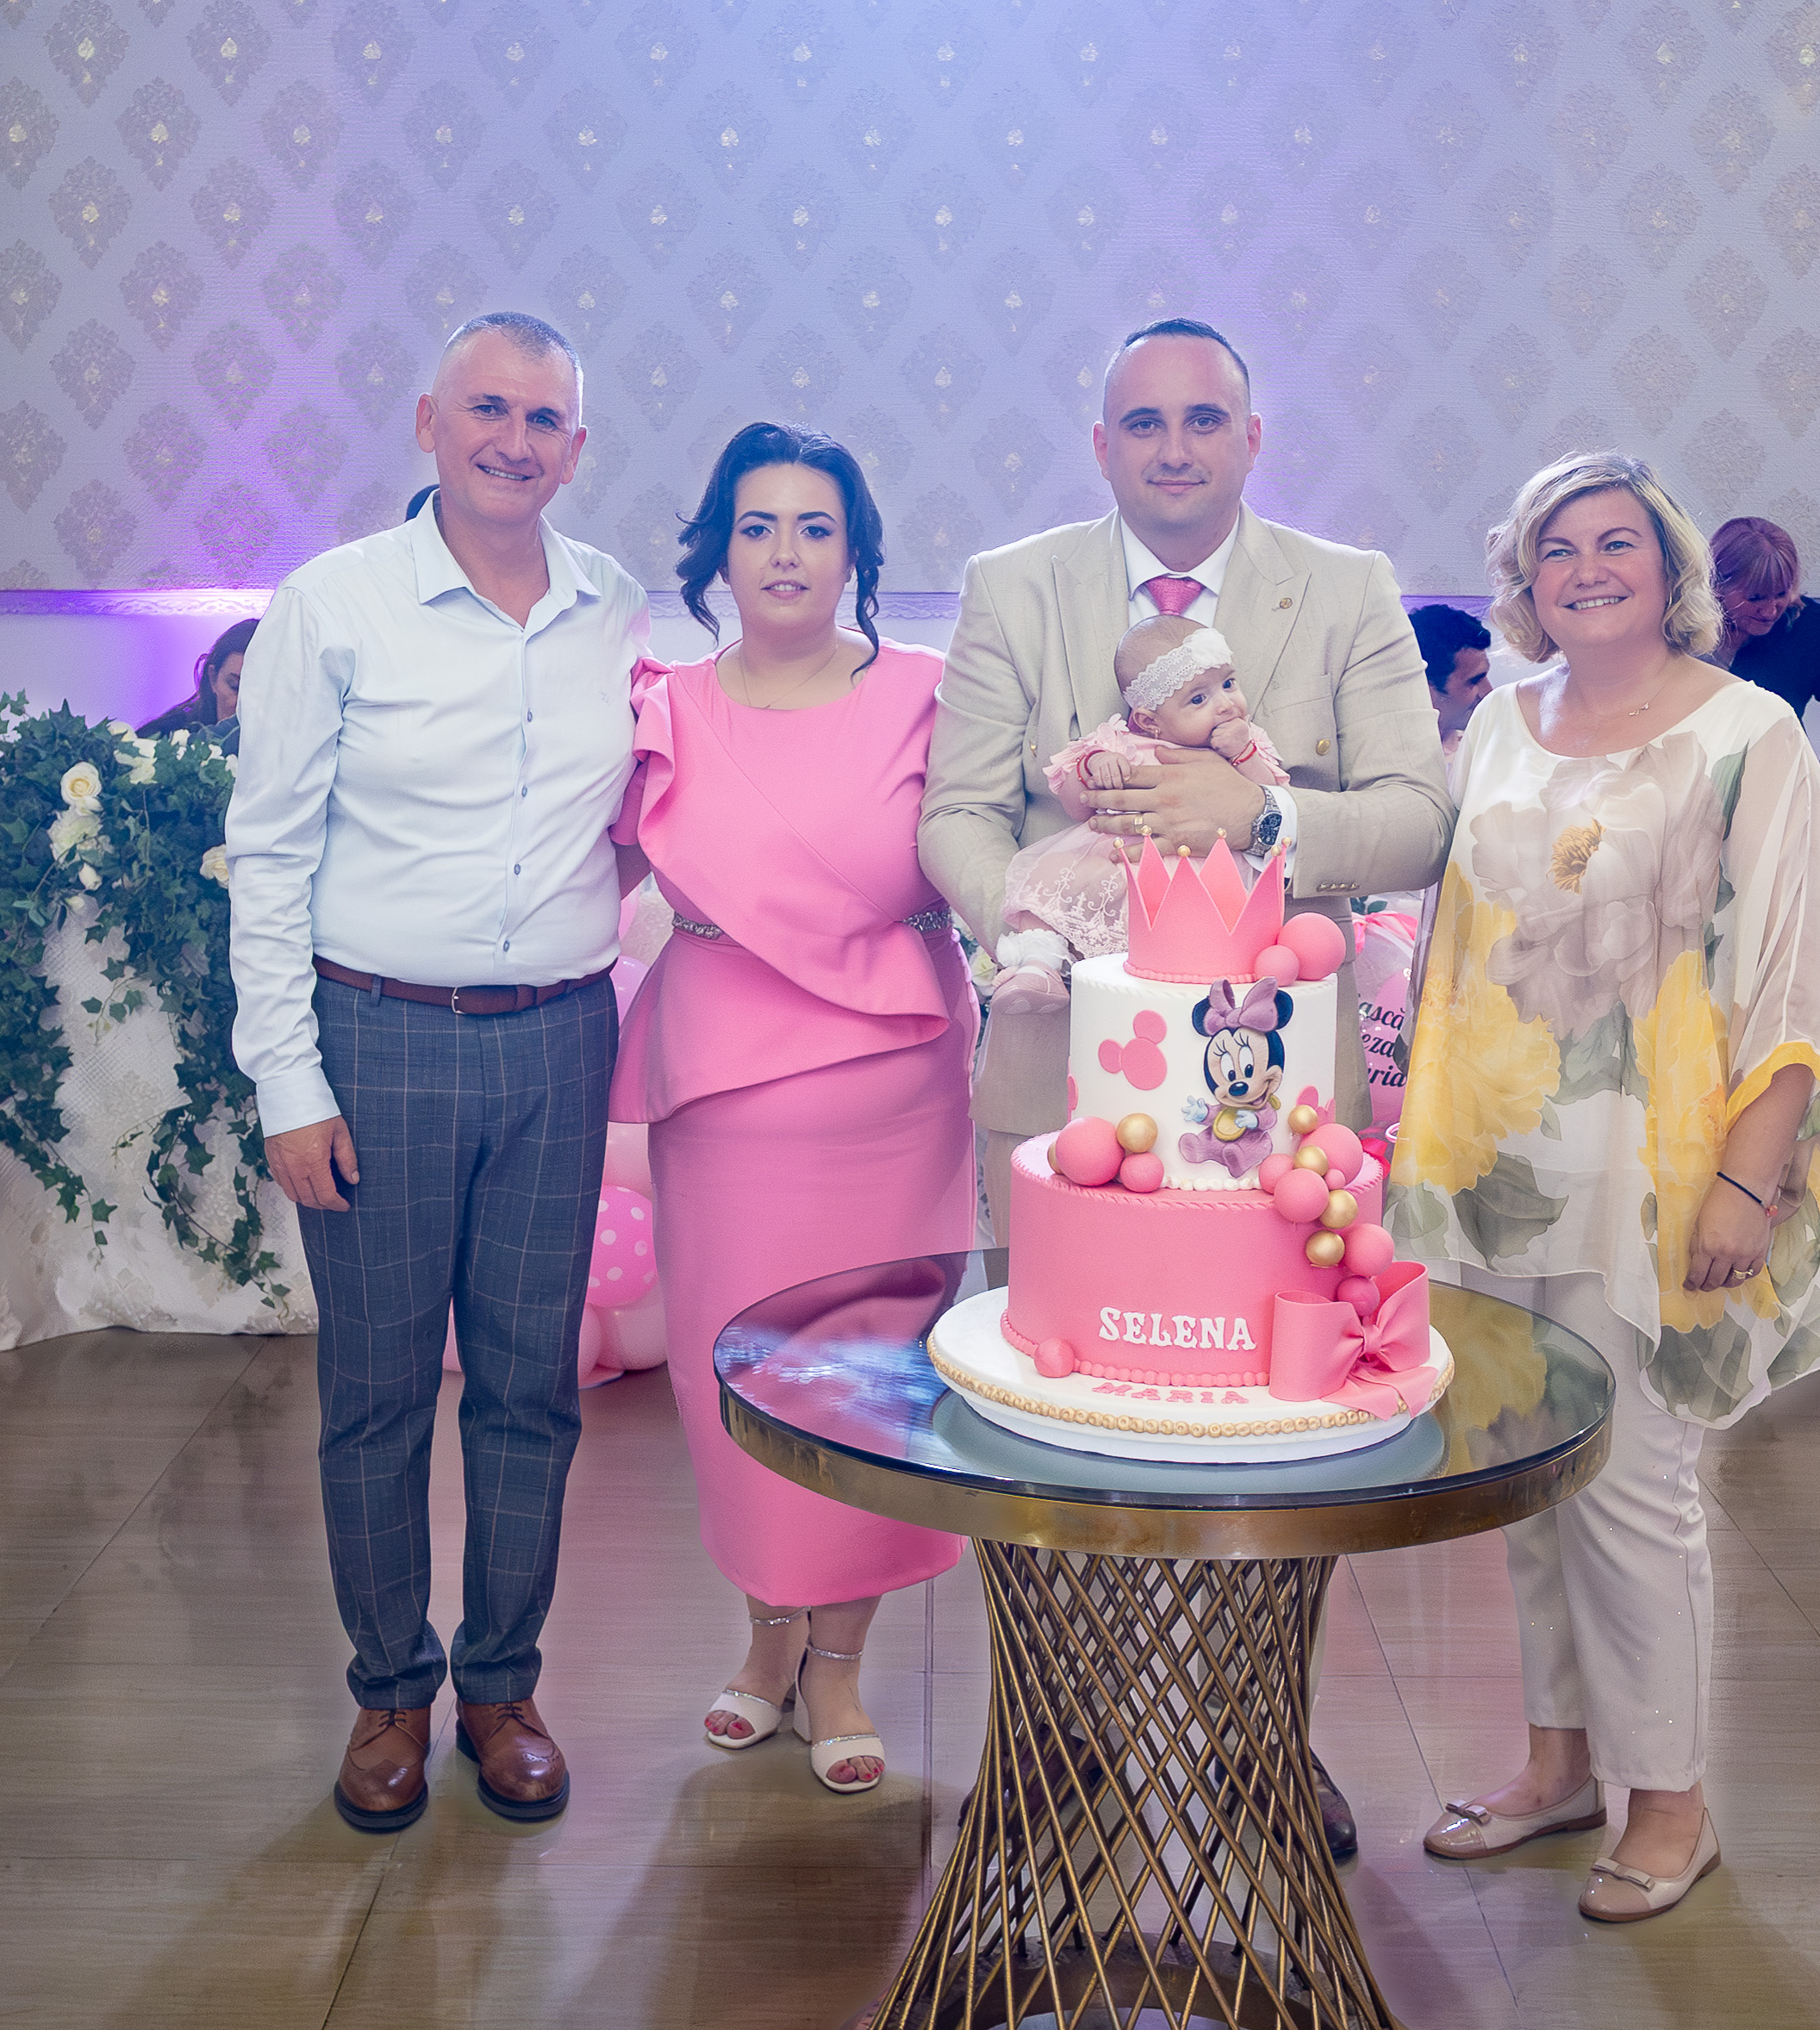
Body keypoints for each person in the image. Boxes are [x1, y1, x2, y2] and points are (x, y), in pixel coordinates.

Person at [919, 313, 1455, 1860]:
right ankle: (1056, 1741)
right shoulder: (1016, 586)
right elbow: (955, 814)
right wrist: (1042, 921)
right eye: (1141, 422)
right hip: (1059, 1083)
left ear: (1251, 437)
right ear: (1100, 445)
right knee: (1047, 1419)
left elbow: (1418, 815)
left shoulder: (1344, 589)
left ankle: (1254, 1741)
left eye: (1203, 418)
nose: (1173, 446)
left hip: (1276, 1108)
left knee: (1278, 1422)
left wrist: (1261, 810)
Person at [1391, 450, 1820, 1925]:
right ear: (1523, 582)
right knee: (1523, 1472)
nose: (1585, 569)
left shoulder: (1749, 733)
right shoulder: (1495, 725)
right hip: (1493, 1162)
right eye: (1556, 549)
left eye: (1615, 543)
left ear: (1670, 572)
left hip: (1655, 1169)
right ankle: (1558, 1764)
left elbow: (1791, 969)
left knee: (1633, 1487)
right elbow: (1450, 941)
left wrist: (1746, 1179)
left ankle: (1670, 1799)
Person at [227, 311, 646, 1835]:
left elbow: (648, 813)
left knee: (531, 1387)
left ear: (574, 450)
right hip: (378, 1039)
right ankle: (390, 1692)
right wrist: (288, 1082)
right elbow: (268, 855)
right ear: (428, 421)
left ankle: (502, 1687)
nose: (511, 442)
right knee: (378, 1393)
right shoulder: (333, 603)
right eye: (486, 409)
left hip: (560, 1037)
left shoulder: (616, 608)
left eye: (542, 420)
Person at [611, 422, 975, 1796]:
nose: (784, 552)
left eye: (815, 526)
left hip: (893, 1104)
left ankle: (838, 1662)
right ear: (717, 549)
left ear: (857, 551)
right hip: (724, 1098)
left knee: (867, 1375)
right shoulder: (661, 705)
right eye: (756, 524)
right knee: (735, 1373)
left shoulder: (931, 695)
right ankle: (765, 1636)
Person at [989, 613, 1289, 1006]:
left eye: (1228, 684)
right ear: (1150, 722)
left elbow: (1277, 802)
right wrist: (1094, 767)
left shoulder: (1248, 742)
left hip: (1203, 878)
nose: (1225, 705)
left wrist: (1245, 753)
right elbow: (1076, 806)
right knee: (1050, 874)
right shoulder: (1123, 743)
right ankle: (1039, 966)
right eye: (1198, 699)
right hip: (1120, 864)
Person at [1710, 518, 1820, 757]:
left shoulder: (1809, 627)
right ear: (1717, 585)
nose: (1770, 611)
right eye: (1755, 598)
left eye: (1781, 594)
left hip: (1777, 769)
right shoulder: (1680, 629)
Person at [140, 618, 255, 745]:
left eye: (258, 694)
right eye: (235, 686)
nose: (242, 704)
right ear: (213, 678)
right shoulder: (160, 741)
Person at [1411, 603, 1493, 751]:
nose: (1488, 693)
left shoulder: (1484, 749)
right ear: (1426, 686)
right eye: (1474, 682)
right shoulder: (1384, 754)